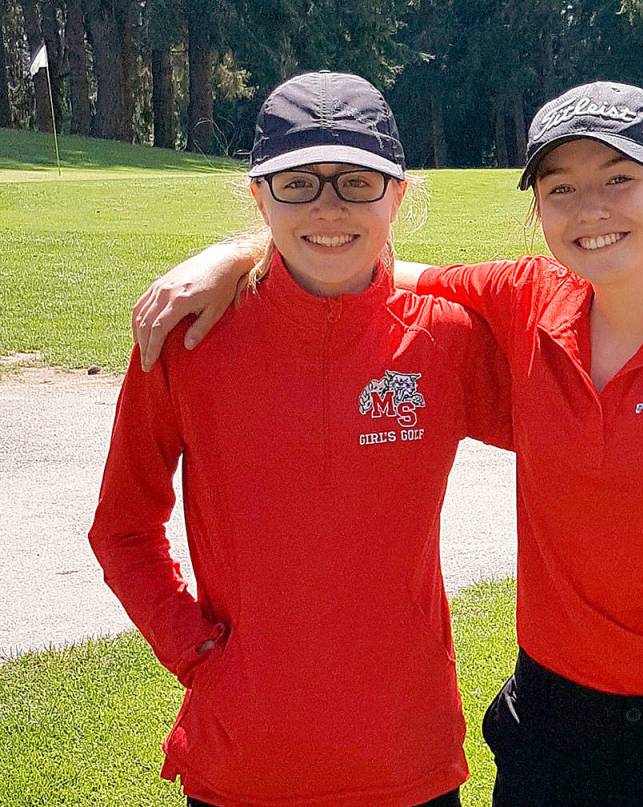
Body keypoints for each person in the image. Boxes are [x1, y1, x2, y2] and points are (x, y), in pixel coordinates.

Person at [132, 81, 643, 807]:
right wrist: (235, 256)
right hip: (552, 733)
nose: (591, 208)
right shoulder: (525, 300)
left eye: (619, 178)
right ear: (538, 209)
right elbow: (360, 264)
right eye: (561, 187)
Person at [89, 71, 515, 807]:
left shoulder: (446, 338)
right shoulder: (188, 340)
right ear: (259, 197)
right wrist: (195, 649)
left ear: (398, 195)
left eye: (357, 182)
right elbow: (123, 529)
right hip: (244, 761)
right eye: (297, 183)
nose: (328, 206)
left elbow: (586, 437)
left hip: (405, 755)